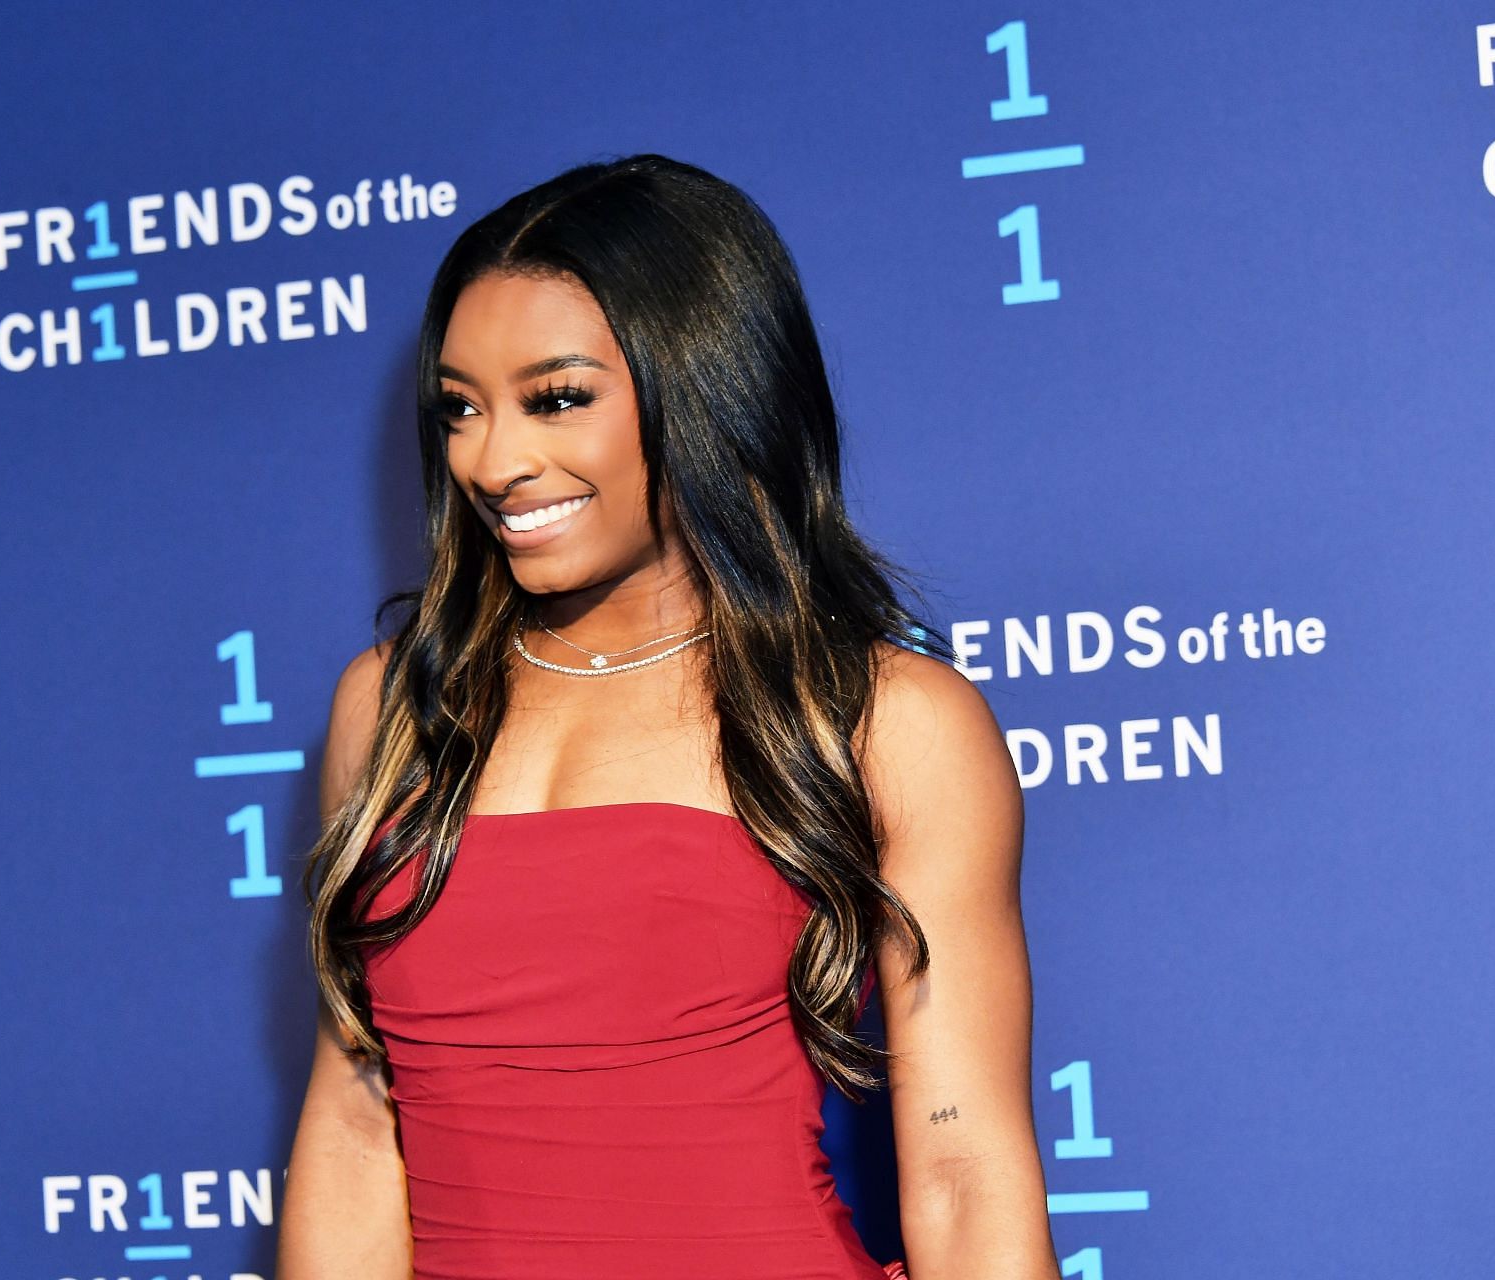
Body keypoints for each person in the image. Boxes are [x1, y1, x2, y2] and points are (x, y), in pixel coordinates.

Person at [275, 153, 1061, 1279]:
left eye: (557, 398)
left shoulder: (883, 716)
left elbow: (964, 1170)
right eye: (461, 408)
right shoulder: (399, 703)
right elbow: (356, 1128)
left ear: (703, 386)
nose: (494, 460)